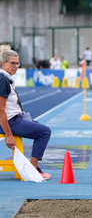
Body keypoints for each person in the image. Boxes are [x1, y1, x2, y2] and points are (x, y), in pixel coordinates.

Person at [0, 47, 52, 179]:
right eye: (13, 63)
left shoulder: (5, 78)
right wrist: (9, 135)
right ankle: (32, 168)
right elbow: (1, 111)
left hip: (14, 119)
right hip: (10, 122)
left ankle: (33, 166)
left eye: (17, 63)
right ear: (3, 63)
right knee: (44, 132)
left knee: (37, 125)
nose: (16, 66)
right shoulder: (2, 80)